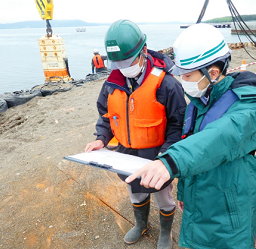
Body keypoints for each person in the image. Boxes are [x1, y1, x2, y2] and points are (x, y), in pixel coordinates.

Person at [125, 23, 256, 248]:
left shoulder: (250, 104)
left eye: (186, 75)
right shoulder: (200, 101)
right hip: (200, 197)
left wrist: (170, 162)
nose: (182, 81)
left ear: (212, 73)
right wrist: (184, 191)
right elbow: (191, 142)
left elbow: (222, 136)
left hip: (229, 206)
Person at [84, 19, 186, 249]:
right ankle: (141, 224)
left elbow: (178, 126)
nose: (123, 68)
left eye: (128, 62)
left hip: (158, 157)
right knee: (136, 193)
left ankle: (165, 233)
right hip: (126, 155)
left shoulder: (168, 85)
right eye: (118, 64)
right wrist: (101, 138)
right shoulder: (111, 83)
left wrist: (165, 157)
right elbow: (107, 116)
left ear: (144, 51)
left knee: (163, 197)